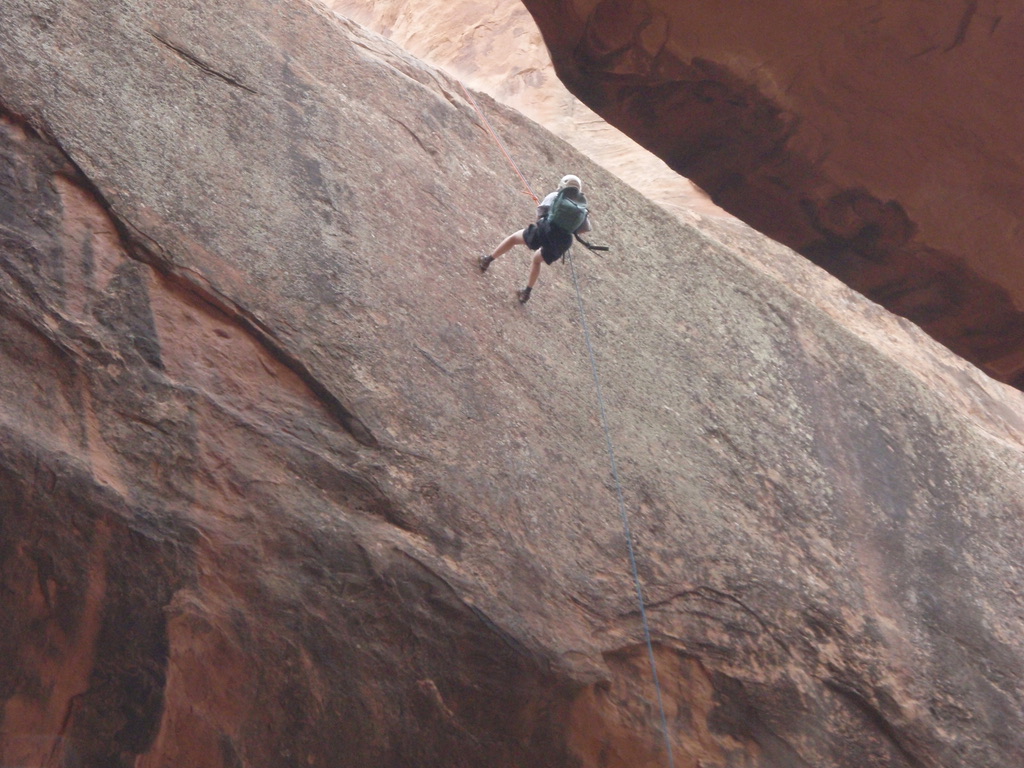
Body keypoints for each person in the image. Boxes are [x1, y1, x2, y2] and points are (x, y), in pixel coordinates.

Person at [479, 174, 592, 303]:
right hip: (561, 242)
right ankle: (526, 293)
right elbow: (586, 228)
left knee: (513, 239)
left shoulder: (554, 196)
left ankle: (487, 260)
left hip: (544, 231)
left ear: (562, 185)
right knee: (537, 260)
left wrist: (545, 221)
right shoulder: (581, 208)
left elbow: (539, 215)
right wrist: (569, 228)